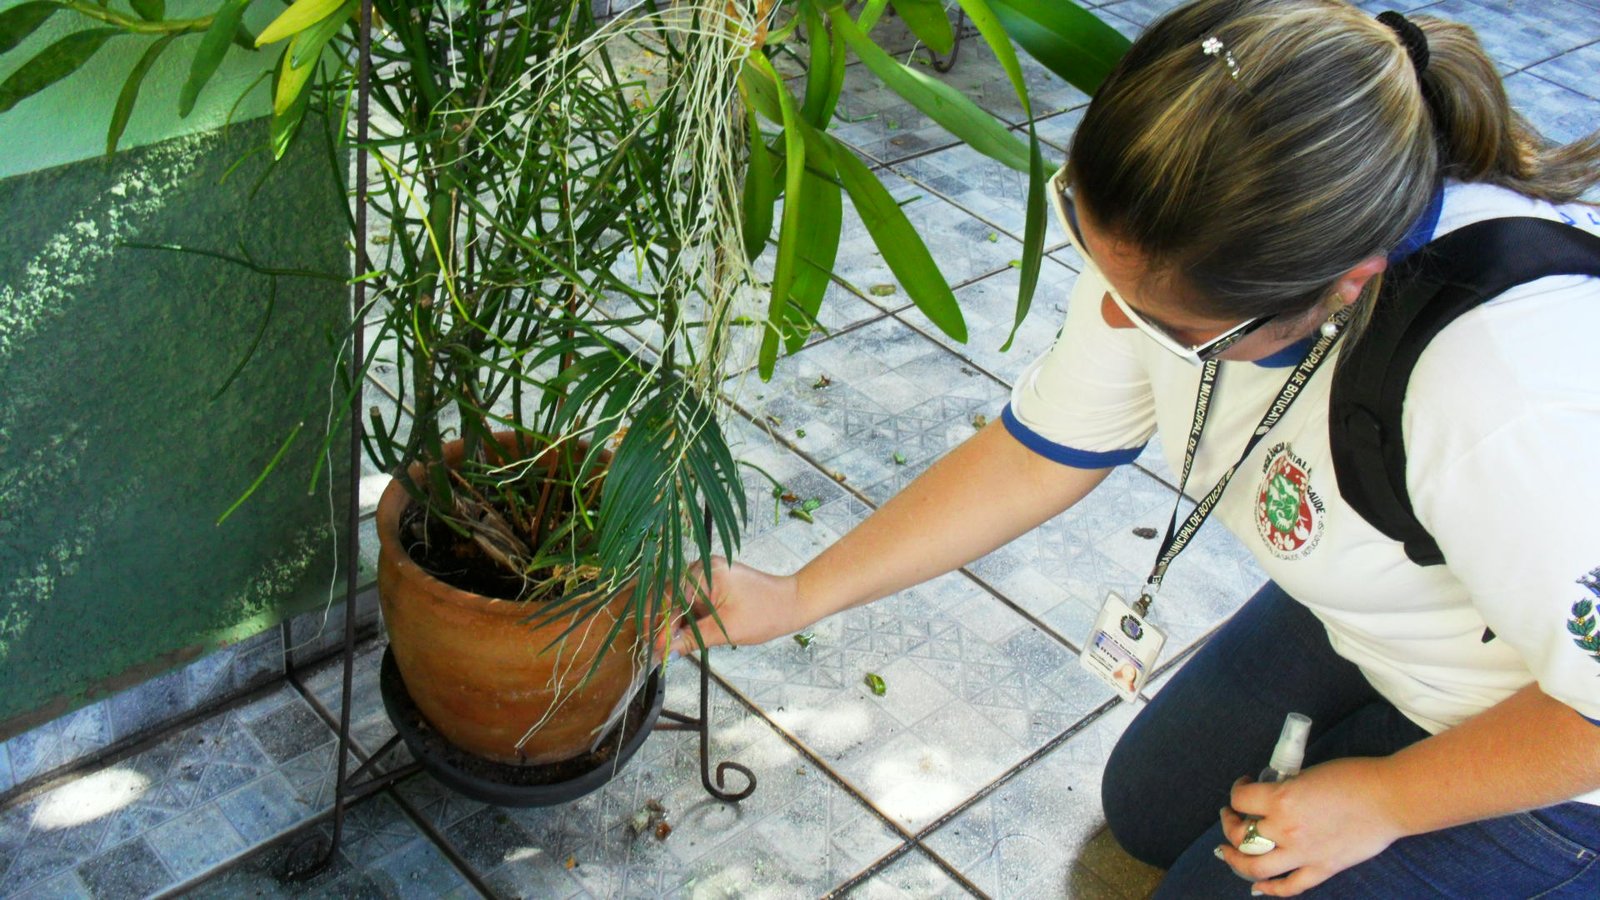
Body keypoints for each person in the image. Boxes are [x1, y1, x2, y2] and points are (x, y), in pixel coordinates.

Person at [669, 0, 1600, 895]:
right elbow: (1042, 451)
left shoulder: (1512, 391)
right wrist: (798, 594)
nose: (1114, 316)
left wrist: (1390, 800)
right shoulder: (1174, 228)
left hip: (1570, 735)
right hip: (1395, 618)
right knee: (1149, 810)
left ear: (1344, 288)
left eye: (1173, 325)